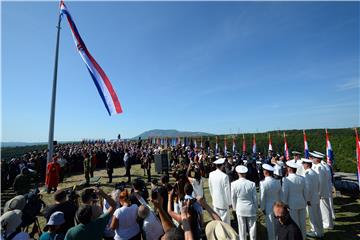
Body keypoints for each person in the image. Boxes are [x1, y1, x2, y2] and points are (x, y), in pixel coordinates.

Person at [282, 161, 307, 240]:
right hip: (301, 202)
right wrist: (305, 201)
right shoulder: (302, 178)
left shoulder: (287, 180)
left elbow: (285, 193)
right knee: (302, 223)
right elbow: (305, 191)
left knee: (295, 224)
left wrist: (284, 203)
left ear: (289, 169)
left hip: (292, 204)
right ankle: (303, 237)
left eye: (287, 168)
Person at [231, 165, 257, 240]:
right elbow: (254, 198)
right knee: (252, 227)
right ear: (245, 173)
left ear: (238, 173)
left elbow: (233, 197)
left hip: (240, 207)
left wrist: (234, 208)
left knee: (241, 228)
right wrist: (255, 208)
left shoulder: (234, 184)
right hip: (250, 207)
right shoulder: (252, 184)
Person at [310, 152, 334, 230]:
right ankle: (328, 223)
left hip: (322, 192)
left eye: (313, 158)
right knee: (324, 208)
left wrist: (319, 192)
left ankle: (327, 224)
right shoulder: (320, 166)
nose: (312, 159)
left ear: (317, 159)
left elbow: (321, 181)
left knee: (324, 208)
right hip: (323, 191)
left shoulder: (320, 167)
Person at [301, 158, 324, 238]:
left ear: (307, 165)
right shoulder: (314, 172)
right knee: (317, 215)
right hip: (315, 196)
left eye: (303, 163)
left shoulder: (308, 174)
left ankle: (316, 232)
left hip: (311, 198)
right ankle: (319, 231)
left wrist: (307, 199)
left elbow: (308, 188)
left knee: (313, 216)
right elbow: (319, 184)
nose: (303, 165)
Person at [260, 164, 281, 240]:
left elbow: (262, 197)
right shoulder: (277, 182)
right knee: (277, 225)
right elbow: (280, 195)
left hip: (268, 207)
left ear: (266, 172)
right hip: (277, 205)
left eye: (263, 170)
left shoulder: (263, 183)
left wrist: (262, 208)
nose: (263, 172)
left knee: (270, 227)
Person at [208, 158, 231, 224]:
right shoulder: (224, 176)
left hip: (215, 200)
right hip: (223, 202)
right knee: (225, 223)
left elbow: (210, 187)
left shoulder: (211, 174)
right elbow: (227, 191)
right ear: (222, 166)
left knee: (217, 221)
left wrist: (213, 197)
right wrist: (229, 203)